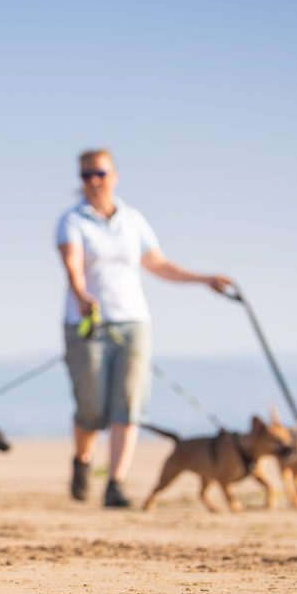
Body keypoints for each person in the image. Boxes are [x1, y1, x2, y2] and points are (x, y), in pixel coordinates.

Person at [56, 149, 232, 508]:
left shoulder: (133, 219)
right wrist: (82, 294)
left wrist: (203, 279)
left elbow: (158, 264)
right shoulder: (72, 220)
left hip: (134, 320)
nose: (93, 180)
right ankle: (83, 460)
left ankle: (115, 484)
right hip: (86, 323)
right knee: (91, 409)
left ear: (114, 175)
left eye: (100, 173)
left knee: (129, 403)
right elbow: (72, 266)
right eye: (86, 175)